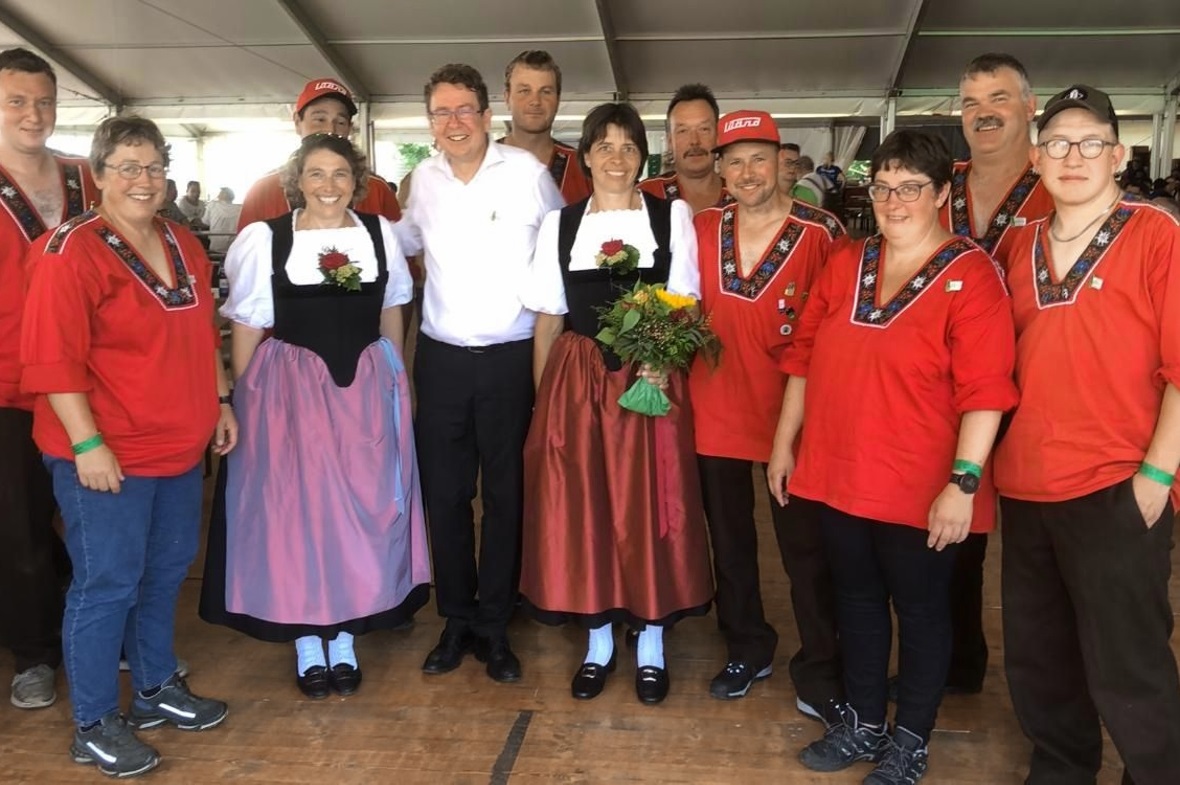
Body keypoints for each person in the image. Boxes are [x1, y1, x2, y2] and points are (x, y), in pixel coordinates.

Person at [768, 129, 1017, 784]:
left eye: (911, 188)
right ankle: (866, 722)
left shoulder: (973, 274)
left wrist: (963, 483)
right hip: (838, 470)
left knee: (923, 609)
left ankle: (910, 739)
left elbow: (986, 391)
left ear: (940, 194)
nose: (894, 200)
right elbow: (804, 359)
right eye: (883, 187)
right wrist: (783, 443)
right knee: (855, 598)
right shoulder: (849, 260)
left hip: (921, 483)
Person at [21, 115, 235, 779]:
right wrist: (86, 442)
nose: (143, 180)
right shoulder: (72, 250)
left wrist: (221, 400)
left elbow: (203, 331)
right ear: (99, 175)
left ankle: (152, 690)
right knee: (106, 583)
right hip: (106, 454)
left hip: (176, 448)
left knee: (164, 572)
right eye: (127, 167)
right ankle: (91, 722)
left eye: (153, 167)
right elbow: (53, 360)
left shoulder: (181, 241)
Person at [199, 133, 430, 700]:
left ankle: (345, 632)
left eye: (340, 174)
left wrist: (399, 379)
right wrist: (243, 401)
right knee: (298, 515)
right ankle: (308, 636)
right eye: (316, 174)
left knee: (361, 511)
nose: (329, 185)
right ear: (296, 182)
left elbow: (392, 312)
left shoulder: (379, 234)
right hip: (290, 395)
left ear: (358, 180)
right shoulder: (266, 240)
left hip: (364, 390)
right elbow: (250, 326)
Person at [995, 85, 1180, 785]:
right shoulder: (1018, 244)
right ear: (1038, 157)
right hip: (1027, 483)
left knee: (1128, 659)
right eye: (1060, 143)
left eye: (1092, 141)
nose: (1075, 155)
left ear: (1119, 154)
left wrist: (1156, 478)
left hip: (1117, 484)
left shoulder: (1156, 234)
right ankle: (1062, 767)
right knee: (1040, 654)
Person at [520, 102, 712, 705]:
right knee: (587, 508)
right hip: (576, 383)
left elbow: (684, 301)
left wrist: (662, 358)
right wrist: (541, 402)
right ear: (586, 156)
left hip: (647, 375)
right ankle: (599, 639)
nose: (616, 157)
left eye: (628, 146)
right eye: (604, 145)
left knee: (648, 503)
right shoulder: (561, 224)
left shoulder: (670, 215)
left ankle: (650, 639)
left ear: (641, 158)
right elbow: (548, 319)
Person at [394, 63, 563, 684]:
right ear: (430, 123)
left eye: (465, 110)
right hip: (439, 359)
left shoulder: (528, 175)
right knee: (444, 494)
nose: (454, 122)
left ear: (488, 116)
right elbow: (400, 247)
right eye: (442, 112)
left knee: (506, 494)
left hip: (510, 360)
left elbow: (561, 254)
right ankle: (456, 617)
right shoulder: (422, 181)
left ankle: (496, 624)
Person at [691, 111, 846, 713]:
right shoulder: (701, 227)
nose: (747, 172)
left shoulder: (823, 232)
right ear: (720, 168)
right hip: (715, 410)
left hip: (795, 417)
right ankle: (747, 645)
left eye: (759, 158)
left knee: (806, 549)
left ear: (783, 161)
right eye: (734, 160)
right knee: (729, 543)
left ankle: (821, 665)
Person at [933, 52, 1055, 699]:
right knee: (953, 539)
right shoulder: (936, 185)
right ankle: (958, 662)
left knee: (1037, 557)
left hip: (1042, 397)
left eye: (999, 98)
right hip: (952, 394)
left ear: (1030, 108)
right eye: (972, 102)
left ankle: (1051, 698)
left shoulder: (1059, 182)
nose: (984, 113)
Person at [0, 46, 98, 712]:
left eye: (44, 100)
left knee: (96, 518)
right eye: (16, 100)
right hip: (8, 384)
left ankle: (96, 628)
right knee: (21, 526)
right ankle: (34, 652)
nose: (34, 113)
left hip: (89, 381)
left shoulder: (87, 177)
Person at [236, 78, 401, 230]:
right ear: (297, 122)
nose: (330, 130)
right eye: (320, 120)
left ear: (350, 128)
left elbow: (401, 254)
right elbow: (244, 258)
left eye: (340, 122)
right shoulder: (263, 190)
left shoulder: (377, 190)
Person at [499, 49, 590, 204]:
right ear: (507, 98)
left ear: (558, 99)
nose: (535, 101)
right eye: (524, 91)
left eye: (546, 92)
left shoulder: (584, 170)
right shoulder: (478, 165)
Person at [639, 83, 734, 213]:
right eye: (683, 131)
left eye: (704, 129)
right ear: (670, 141)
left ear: (718, 137)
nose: (694, 141)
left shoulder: (740, 195)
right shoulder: (645, 194)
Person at [202, 187, 241, 254]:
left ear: (224, 195)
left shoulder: (212, 205)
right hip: (234, 248)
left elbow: (205, 222)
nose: (217, 196)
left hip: (216, 247)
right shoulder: (240, 208)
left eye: (219, 193)